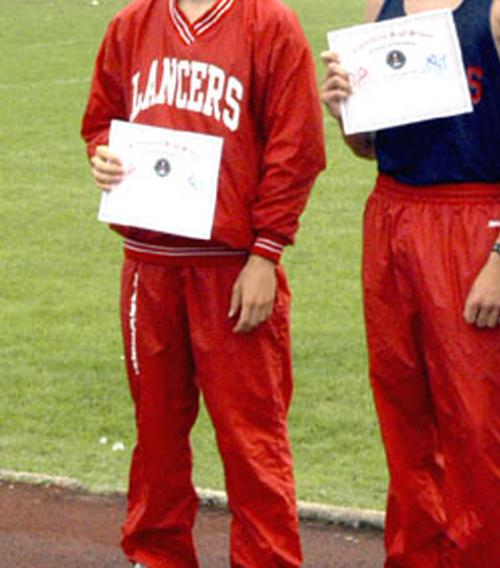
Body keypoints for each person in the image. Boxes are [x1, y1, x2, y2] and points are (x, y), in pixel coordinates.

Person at [81, 0, 325, 565]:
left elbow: (298, 147)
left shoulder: (269, 24)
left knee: (252, 442)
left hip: (232, 267)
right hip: (149, 263)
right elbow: (102, 122)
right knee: (157, 435)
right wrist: (103, 157)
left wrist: (266, 252)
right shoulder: (130, 24)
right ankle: (155, 555)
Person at [320, 0, 500, 565]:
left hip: (475, 218)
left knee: (479, 428)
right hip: (393, 214)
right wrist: (345, 111)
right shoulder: (383, 5)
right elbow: (371, 145)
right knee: (403, 419)